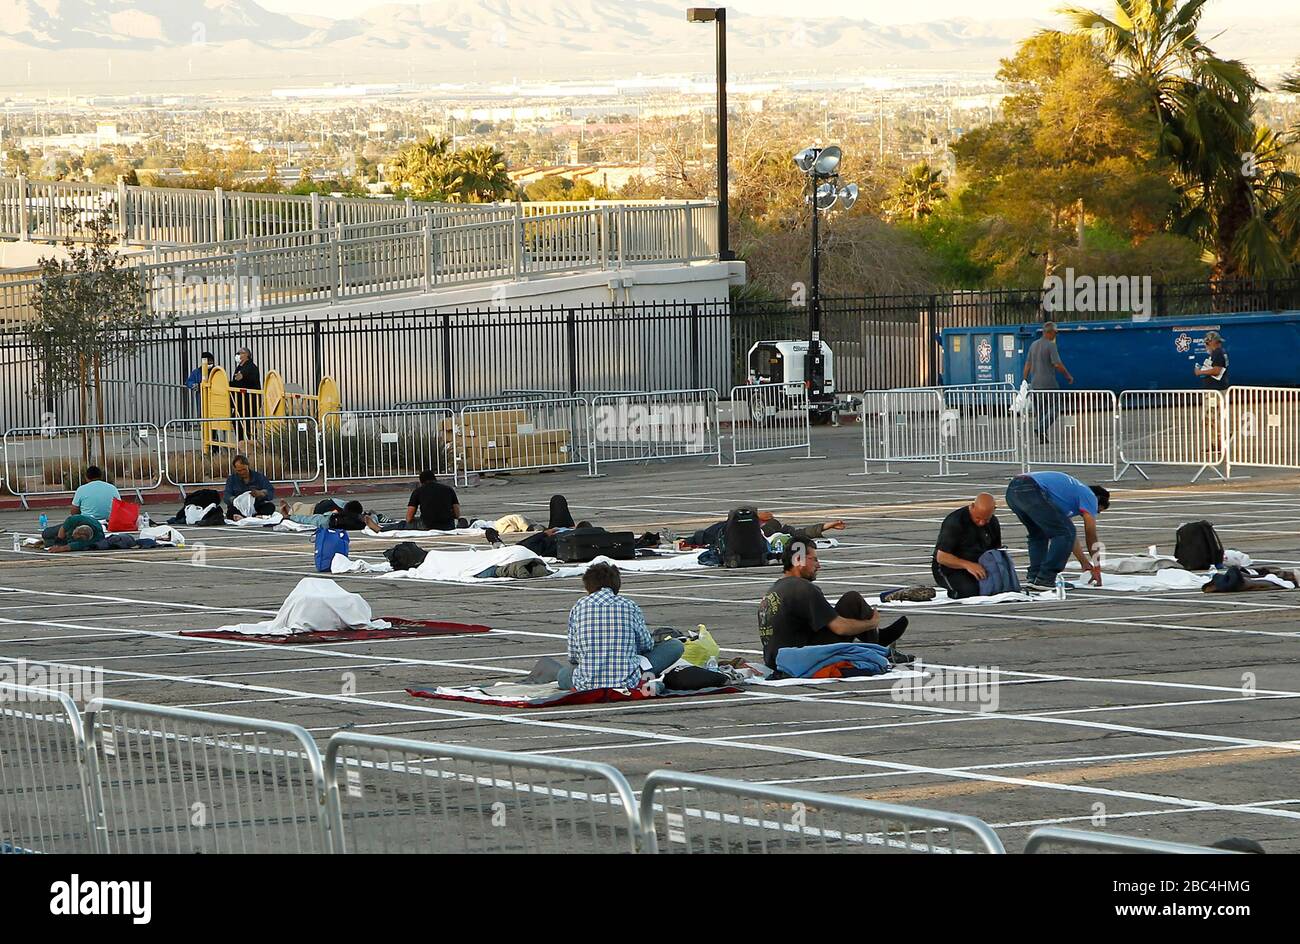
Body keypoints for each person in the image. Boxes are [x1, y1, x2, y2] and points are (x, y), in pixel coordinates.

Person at [757, 538, 909, 670]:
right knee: (852, 600)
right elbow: (840, 628)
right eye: (814, 559)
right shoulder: (803, 588)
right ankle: (879, 647)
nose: (819, 565)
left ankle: (878, 641)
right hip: (797, 659)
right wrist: (871, 623)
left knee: (847, 604)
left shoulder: (775, 588)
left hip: (774, 660)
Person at [558, 562, 685, 691]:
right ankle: (645, 678)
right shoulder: (629, 605)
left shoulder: (578, 607)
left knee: (563, 675)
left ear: (588, 586)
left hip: (586, 684)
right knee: (675, 645)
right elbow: (646, 645)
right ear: (616, 585)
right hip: (628, 681)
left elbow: (573, 656)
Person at [1004, 471, 1109, 591]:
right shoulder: (1090, 496)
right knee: (1065, 532)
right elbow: (1090, 534)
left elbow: (1071, 540)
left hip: (1013, 491)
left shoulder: (1066, 496)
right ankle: (1046, 578)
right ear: (1098, 500)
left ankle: (1035, 577)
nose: (1094, 513)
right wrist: (1097, 566)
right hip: (1031, 489)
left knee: (1039, 534)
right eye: (1097, 511)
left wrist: (1084, 563)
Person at [932, 493, 1003, 599]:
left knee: (997, 589)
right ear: (972, 506)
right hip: (949, 566)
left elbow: (995, 550)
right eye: (978, 518)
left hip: (979, 565)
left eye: (986, 519)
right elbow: (942, 557)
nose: (981, 522)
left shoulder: (993, 522)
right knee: (969, 592)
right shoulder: (955, 521)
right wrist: (968, 565)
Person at [1023, 321, 1074, 443]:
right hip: (1049, 384)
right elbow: (1057, 364)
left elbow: (1027, 364)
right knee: (1055, 409)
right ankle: (1040, 428)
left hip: (1035, 384)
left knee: (1041, 411)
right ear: (1049, 332)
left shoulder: (1033, 345)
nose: (1055, 335)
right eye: (1055, 333)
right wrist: (1068, 376)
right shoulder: (1051, 346)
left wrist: (1024, 380)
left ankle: (1042, 436)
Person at [223, 454, 276, 519]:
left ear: (248, 466)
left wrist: (261, 493)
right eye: (239, 471)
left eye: (244, 469)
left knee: (270, 506)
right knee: (231, 511)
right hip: (239, 507)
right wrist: (236, 500)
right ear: (235, 469)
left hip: (256, 506)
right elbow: (226, 496)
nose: (242, 472)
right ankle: (243, 516)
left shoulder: (259, 477)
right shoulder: (231, 479)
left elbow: (270, 491)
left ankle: (254, 516)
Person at [280, 499, 376, 532]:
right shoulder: (362, 520)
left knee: (306, 513)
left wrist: (290, 517)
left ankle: (290, 512)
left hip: (324, 509)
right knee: (307, 512)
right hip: (327, 508)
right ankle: (290, 512)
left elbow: (309, 519)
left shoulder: (332, 517)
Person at [230, 348, 261, 441]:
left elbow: (242, 378)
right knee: (236, 420)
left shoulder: (251, 367)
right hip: (240, 400)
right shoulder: (239, 367)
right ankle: (241, 442)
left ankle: (253, 443)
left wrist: (240, 376)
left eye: (240, 353)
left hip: (250, 401)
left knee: (249, 424)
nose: (238, 355)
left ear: (246, 355)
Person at [38, 514, 105, 553]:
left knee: (48, 544)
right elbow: (63, 529)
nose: (73, 535)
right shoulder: (75, 519)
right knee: (46, 533)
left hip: (79, 536)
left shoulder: (97, 538)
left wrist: (60, 548)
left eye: (75, 536)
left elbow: (73, 546)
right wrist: (58, 543)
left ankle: (47, 543)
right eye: (74, 533)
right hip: (69, 527)